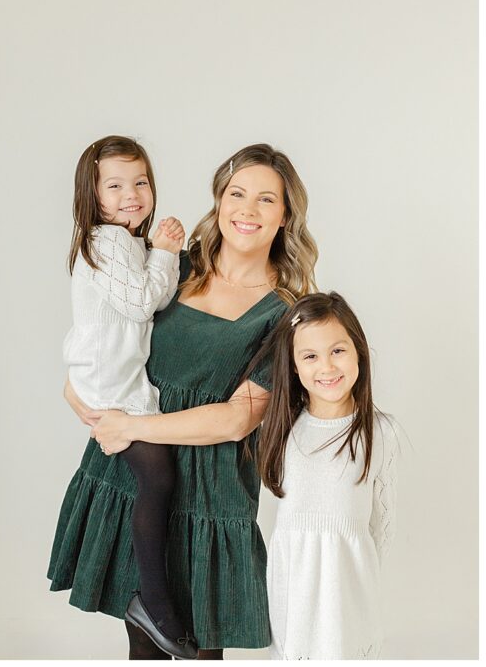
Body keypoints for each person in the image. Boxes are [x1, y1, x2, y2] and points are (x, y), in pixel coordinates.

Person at [49, 144, 318, 659]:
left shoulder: (287, 313)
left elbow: (240, 419)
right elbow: (106, 330)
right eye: (236, 194)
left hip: (208, 495)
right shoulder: (175, 266)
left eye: (266, 200)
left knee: (196, 649)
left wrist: (131, 428)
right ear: (219, 201)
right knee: (144, 641)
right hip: (135, 475)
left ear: (285, 216)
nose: (247, 209)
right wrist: (74, 385)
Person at [62, 135, 194, 657]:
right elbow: (142, 303)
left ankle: (152, 603)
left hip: (109, 377)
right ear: (93, 197)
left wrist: (156, 251)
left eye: (140, 182)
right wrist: (166, 252)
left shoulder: (116, 241)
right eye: (114, 186)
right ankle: (154, 603)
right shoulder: (109, 240)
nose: (132, 194)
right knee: (159, 479)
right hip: (113, 385)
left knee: (155, 480)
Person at [250, 292, 398, 659]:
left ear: (358, 351)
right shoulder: (282, 429)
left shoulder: (380, 433)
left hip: (350, 600)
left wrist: (356, 580)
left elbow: (382, 524)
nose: (327, 367)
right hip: (292, 602)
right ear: (295, 367)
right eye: (311, 356)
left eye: (338, 351)